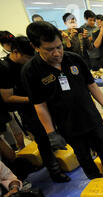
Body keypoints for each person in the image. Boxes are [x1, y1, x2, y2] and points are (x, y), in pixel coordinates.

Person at [22, 22, 103, 180]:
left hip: (91, 118)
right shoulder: (31, 71)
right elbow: (40, 105)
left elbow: (91, 84)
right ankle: (97, 185)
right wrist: (51, 133)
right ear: (35, 47)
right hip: (68, 125)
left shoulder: (74, 59)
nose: (57, 53)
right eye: (49, 49)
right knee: (84, 158)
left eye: (59, 47)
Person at [0, 36, 70, 183]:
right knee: (43, 141)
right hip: (29, 111)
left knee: (58, 135)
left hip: (46, 106)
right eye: (27, 57)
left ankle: (66, 161)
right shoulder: (4, 69)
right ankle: (55, 172)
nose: (30, 60)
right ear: (16, 52)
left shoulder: (34, 64)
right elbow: (7, 98)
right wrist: (36, 99)